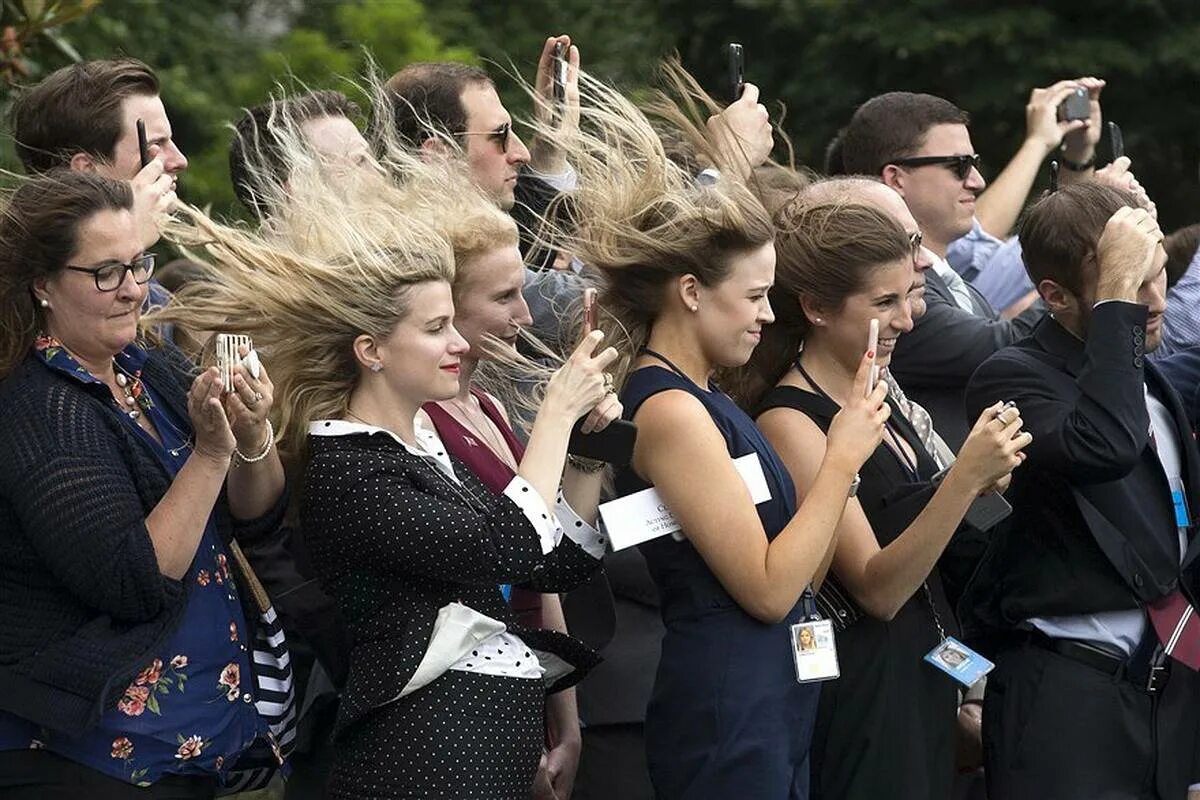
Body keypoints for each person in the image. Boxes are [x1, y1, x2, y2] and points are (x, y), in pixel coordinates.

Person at [156, 146, 614, 798]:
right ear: (370, 350)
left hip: (481, 764)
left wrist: (586, 450)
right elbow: (507, 546)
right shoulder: (349, 471)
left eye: (455, 323)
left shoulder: (426, 448)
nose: (459, 343)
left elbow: (556, 563)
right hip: (416, 770)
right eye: (437, 328)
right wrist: (555, 414)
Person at [538, 61, 889, 798]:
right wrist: (839, 461)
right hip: (729, 700)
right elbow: (765, 589)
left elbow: (802, 572)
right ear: (692, 293)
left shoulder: (708, 396)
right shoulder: (667, 408)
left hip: (776, 689)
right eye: (756, 295)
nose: (767, 316)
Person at [0, 170, 288, 798]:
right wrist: (210, 455)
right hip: (84, 760)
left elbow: (255, 516)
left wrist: (251, 435)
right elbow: (135, 580)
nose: (134, 290)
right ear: (42, 285)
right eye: (106, 272)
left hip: (180, 751)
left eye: (138, 265)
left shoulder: (143, 367)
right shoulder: (40, 408)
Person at [730, 199, 1027, 800]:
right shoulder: (792, 419)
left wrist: (991, 488)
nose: (907, 321)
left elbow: (945, 540)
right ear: (815, 308)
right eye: (883, 304)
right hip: (867, 685)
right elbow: (877, 588)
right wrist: (963, 479)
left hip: (929, 664)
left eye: (909, 297)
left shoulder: (884, 399)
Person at [963, 183, 1200, 799]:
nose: (1153, 304)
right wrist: (1114, 307)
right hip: (1066, 694)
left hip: (1162, 685)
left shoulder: (1147, 376)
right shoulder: (1012, 375)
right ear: (1054, 297)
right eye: (1128, 287)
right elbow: (1105, 446)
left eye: (1158, 278)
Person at [413, 165, 619, 800]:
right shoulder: (418, 425)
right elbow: (493, 565)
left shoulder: (492, 408)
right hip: (465, 716)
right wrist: (557, 411)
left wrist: (567, 722)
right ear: (445, 306)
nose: (526, 316)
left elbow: (549, 562)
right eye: (504, 298)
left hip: (528, 692)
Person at [839, 91, 1043, 449]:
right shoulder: (895, 296)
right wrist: (1099, 274)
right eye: (958, 166)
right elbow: (1007, 346)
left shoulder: (949, 281)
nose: (976, 180)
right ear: (896, 178)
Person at [11, 57, 185, 250]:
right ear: (86, 171)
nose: (180, 161)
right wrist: (131, 240)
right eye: (156, 144)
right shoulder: (24, 276)